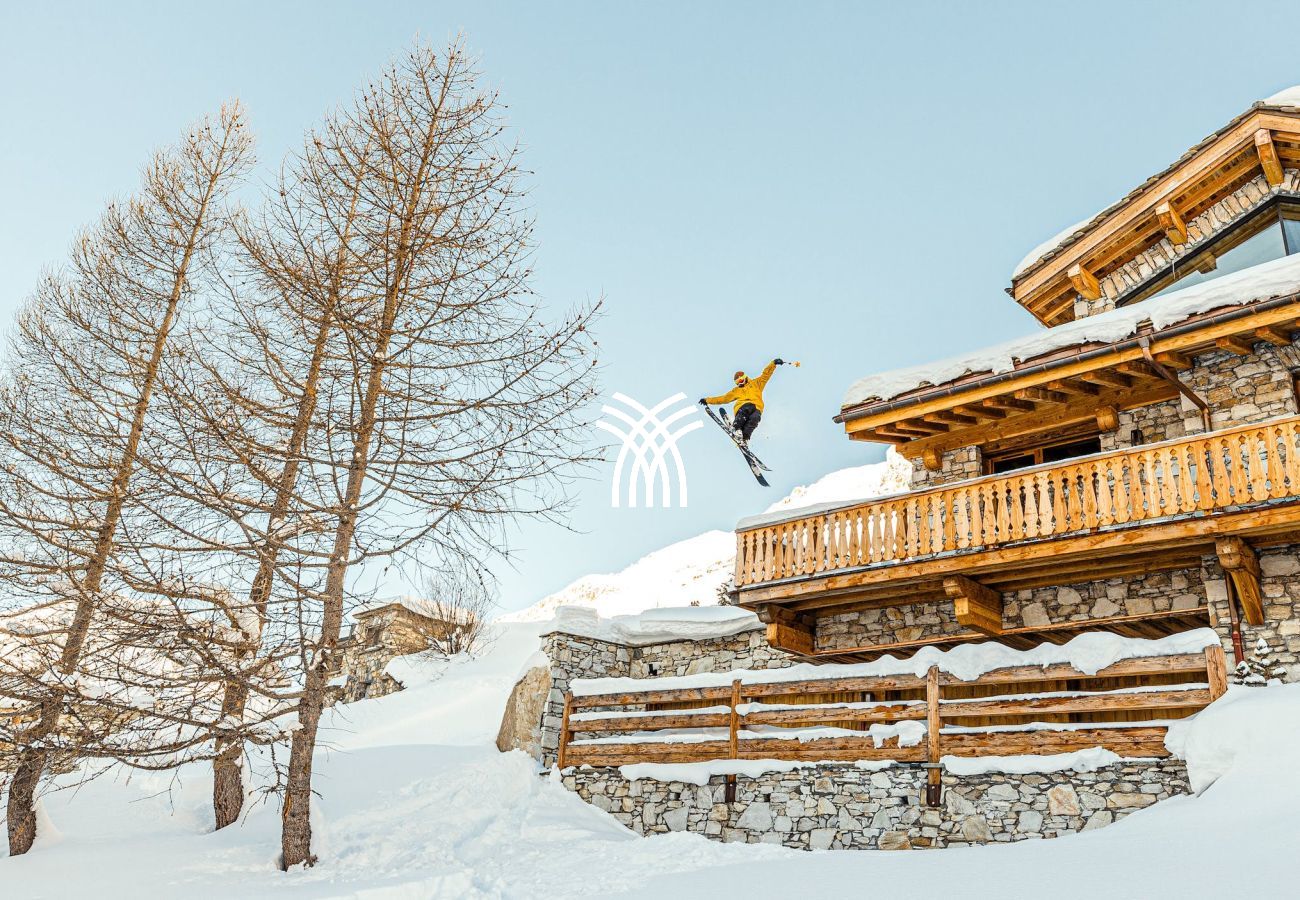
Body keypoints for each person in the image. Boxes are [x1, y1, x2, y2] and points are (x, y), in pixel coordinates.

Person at [700, 359, 786, 443]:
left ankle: (745, 438)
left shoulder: (756, 383)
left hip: (757, 408)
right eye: (738, 383)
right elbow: (723, 398)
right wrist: (707, 400)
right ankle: (736, 428)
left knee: (755, 418)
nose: (740, 384)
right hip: (743, 407)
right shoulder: (736, 390)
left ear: (745, 378)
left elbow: (766, 375)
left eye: (741, 381)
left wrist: (773, 363)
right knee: (747, 408)